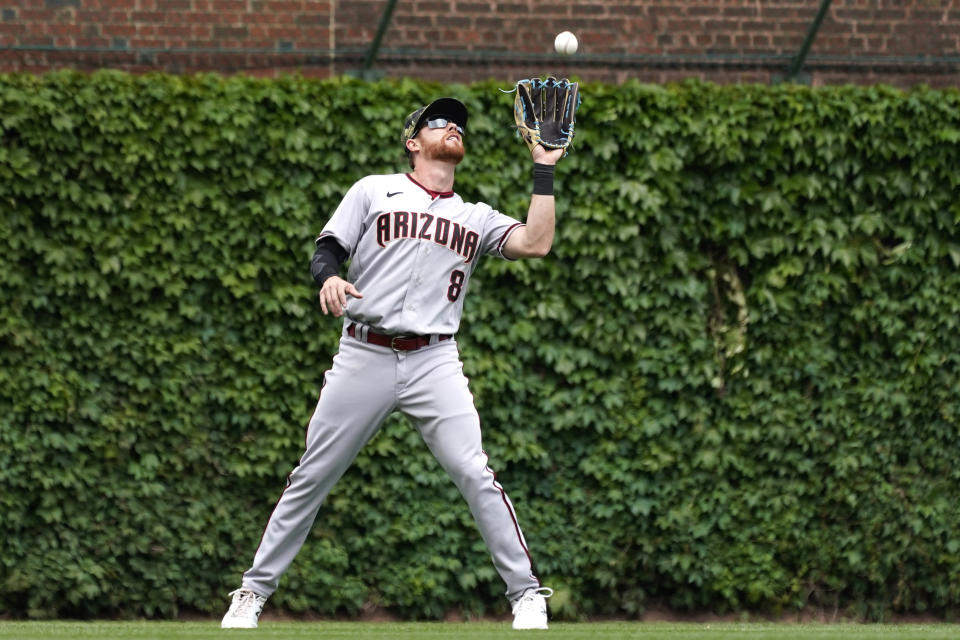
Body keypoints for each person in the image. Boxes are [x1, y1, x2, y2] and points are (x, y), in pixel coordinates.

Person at [221, 96, 563, 631]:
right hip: (364, 352)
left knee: (474, 472)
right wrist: (328, 278)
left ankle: (525, 594)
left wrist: (543, 172)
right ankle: (252, 592)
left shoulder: (474, 217)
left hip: (434, 360)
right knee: (311, 474)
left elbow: (536, 243)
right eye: (438, 121)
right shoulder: (373, 189)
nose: (452, 126)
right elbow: (327, 249)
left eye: (458, 124)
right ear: (413, 142)